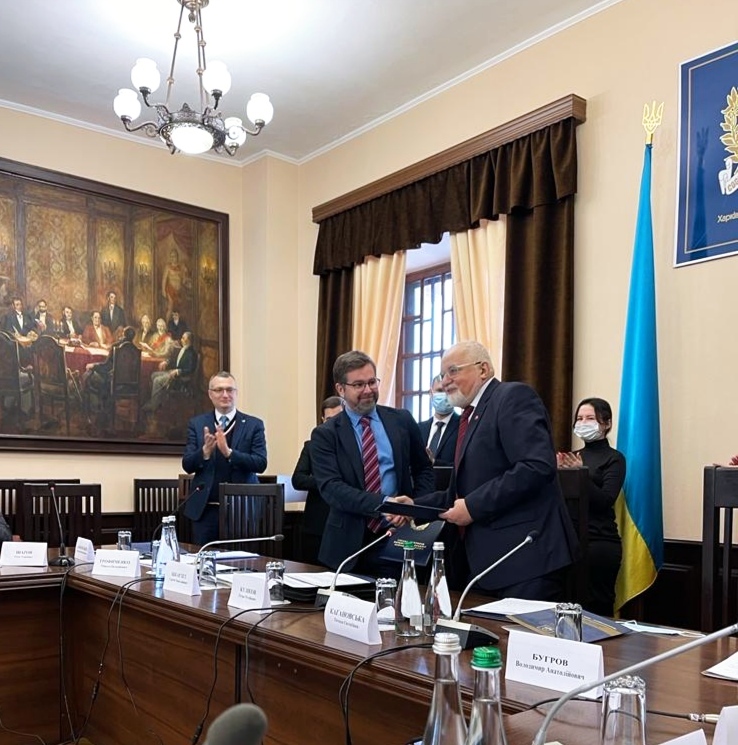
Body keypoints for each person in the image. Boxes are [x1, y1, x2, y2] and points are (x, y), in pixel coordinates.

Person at [409, 340, 578, 600]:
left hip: (526, 560)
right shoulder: (469, 417)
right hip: (485, 564)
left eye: (453, 371)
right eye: (442, 375)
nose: (445, 382)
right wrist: (411, 507)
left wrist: (472, 506)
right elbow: (460, 494)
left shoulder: (512, 397)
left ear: (483, 369)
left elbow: (535, 466)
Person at [310, 350, 434, 576]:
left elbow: (423, 469)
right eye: (358, 385)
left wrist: (413, 507)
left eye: (372, 382)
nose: (368, 390)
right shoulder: (325, 434)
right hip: (347, 546)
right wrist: (385, 504)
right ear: (341, 389)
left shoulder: (402, 420)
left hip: (400, 537)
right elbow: (331, 488)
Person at [557, 397, 625, 616]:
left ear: (606, 424)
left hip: (599, 544)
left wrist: (581, 474)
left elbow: (605, 500)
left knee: (597, 610)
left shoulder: (614, 459)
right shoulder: (572, 456)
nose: (583, 423)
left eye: (590, 418)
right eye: (579, 418)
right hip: (569, 543)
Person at [182, 371, 268, 545]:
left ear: (236, 393)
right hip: (206, 510)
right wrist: (204, 452)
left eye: (230, 390)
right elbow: (187, 465)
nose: (225, 394)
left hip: (242, 510)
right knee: (203, 558)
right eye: (219, 390)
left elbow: (260, 463)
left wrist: (229, 453)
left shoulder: (254, 425)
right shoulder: (197, 424)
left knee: (243, 559)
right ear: (210, 394)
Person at [291, 395, 344, 565]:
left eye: (338, 418)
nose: (333, 424)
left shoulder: (356, 447)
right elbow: (298, 479)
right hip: (317, 522)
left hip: (345, 522)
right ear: (322, 420)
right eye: (328, 419)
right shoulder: (311, 446)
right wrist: (327, 482)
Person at [144, 331, 198, 413]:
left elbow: (190, 369)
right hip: (173, 373)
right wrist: (166, 362)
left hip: (180, 378)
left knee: (157, 380)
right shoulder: (181, 349)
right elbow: (173, 359)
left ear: (189, 340)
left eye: (183, 338)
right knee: (154, 375)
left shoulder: (192, 353)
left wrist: (178, 371)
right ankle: (159, 401)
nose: (181, 339)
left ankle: (153, 406)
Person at [419, 374, 460, 466]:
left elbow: (464, 465)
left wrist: (434, 462)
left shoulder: (463, 426)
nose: (444, 395)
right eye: (440, 390)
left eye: (448, 391)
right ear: (431, 393)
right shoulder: (420, 428)